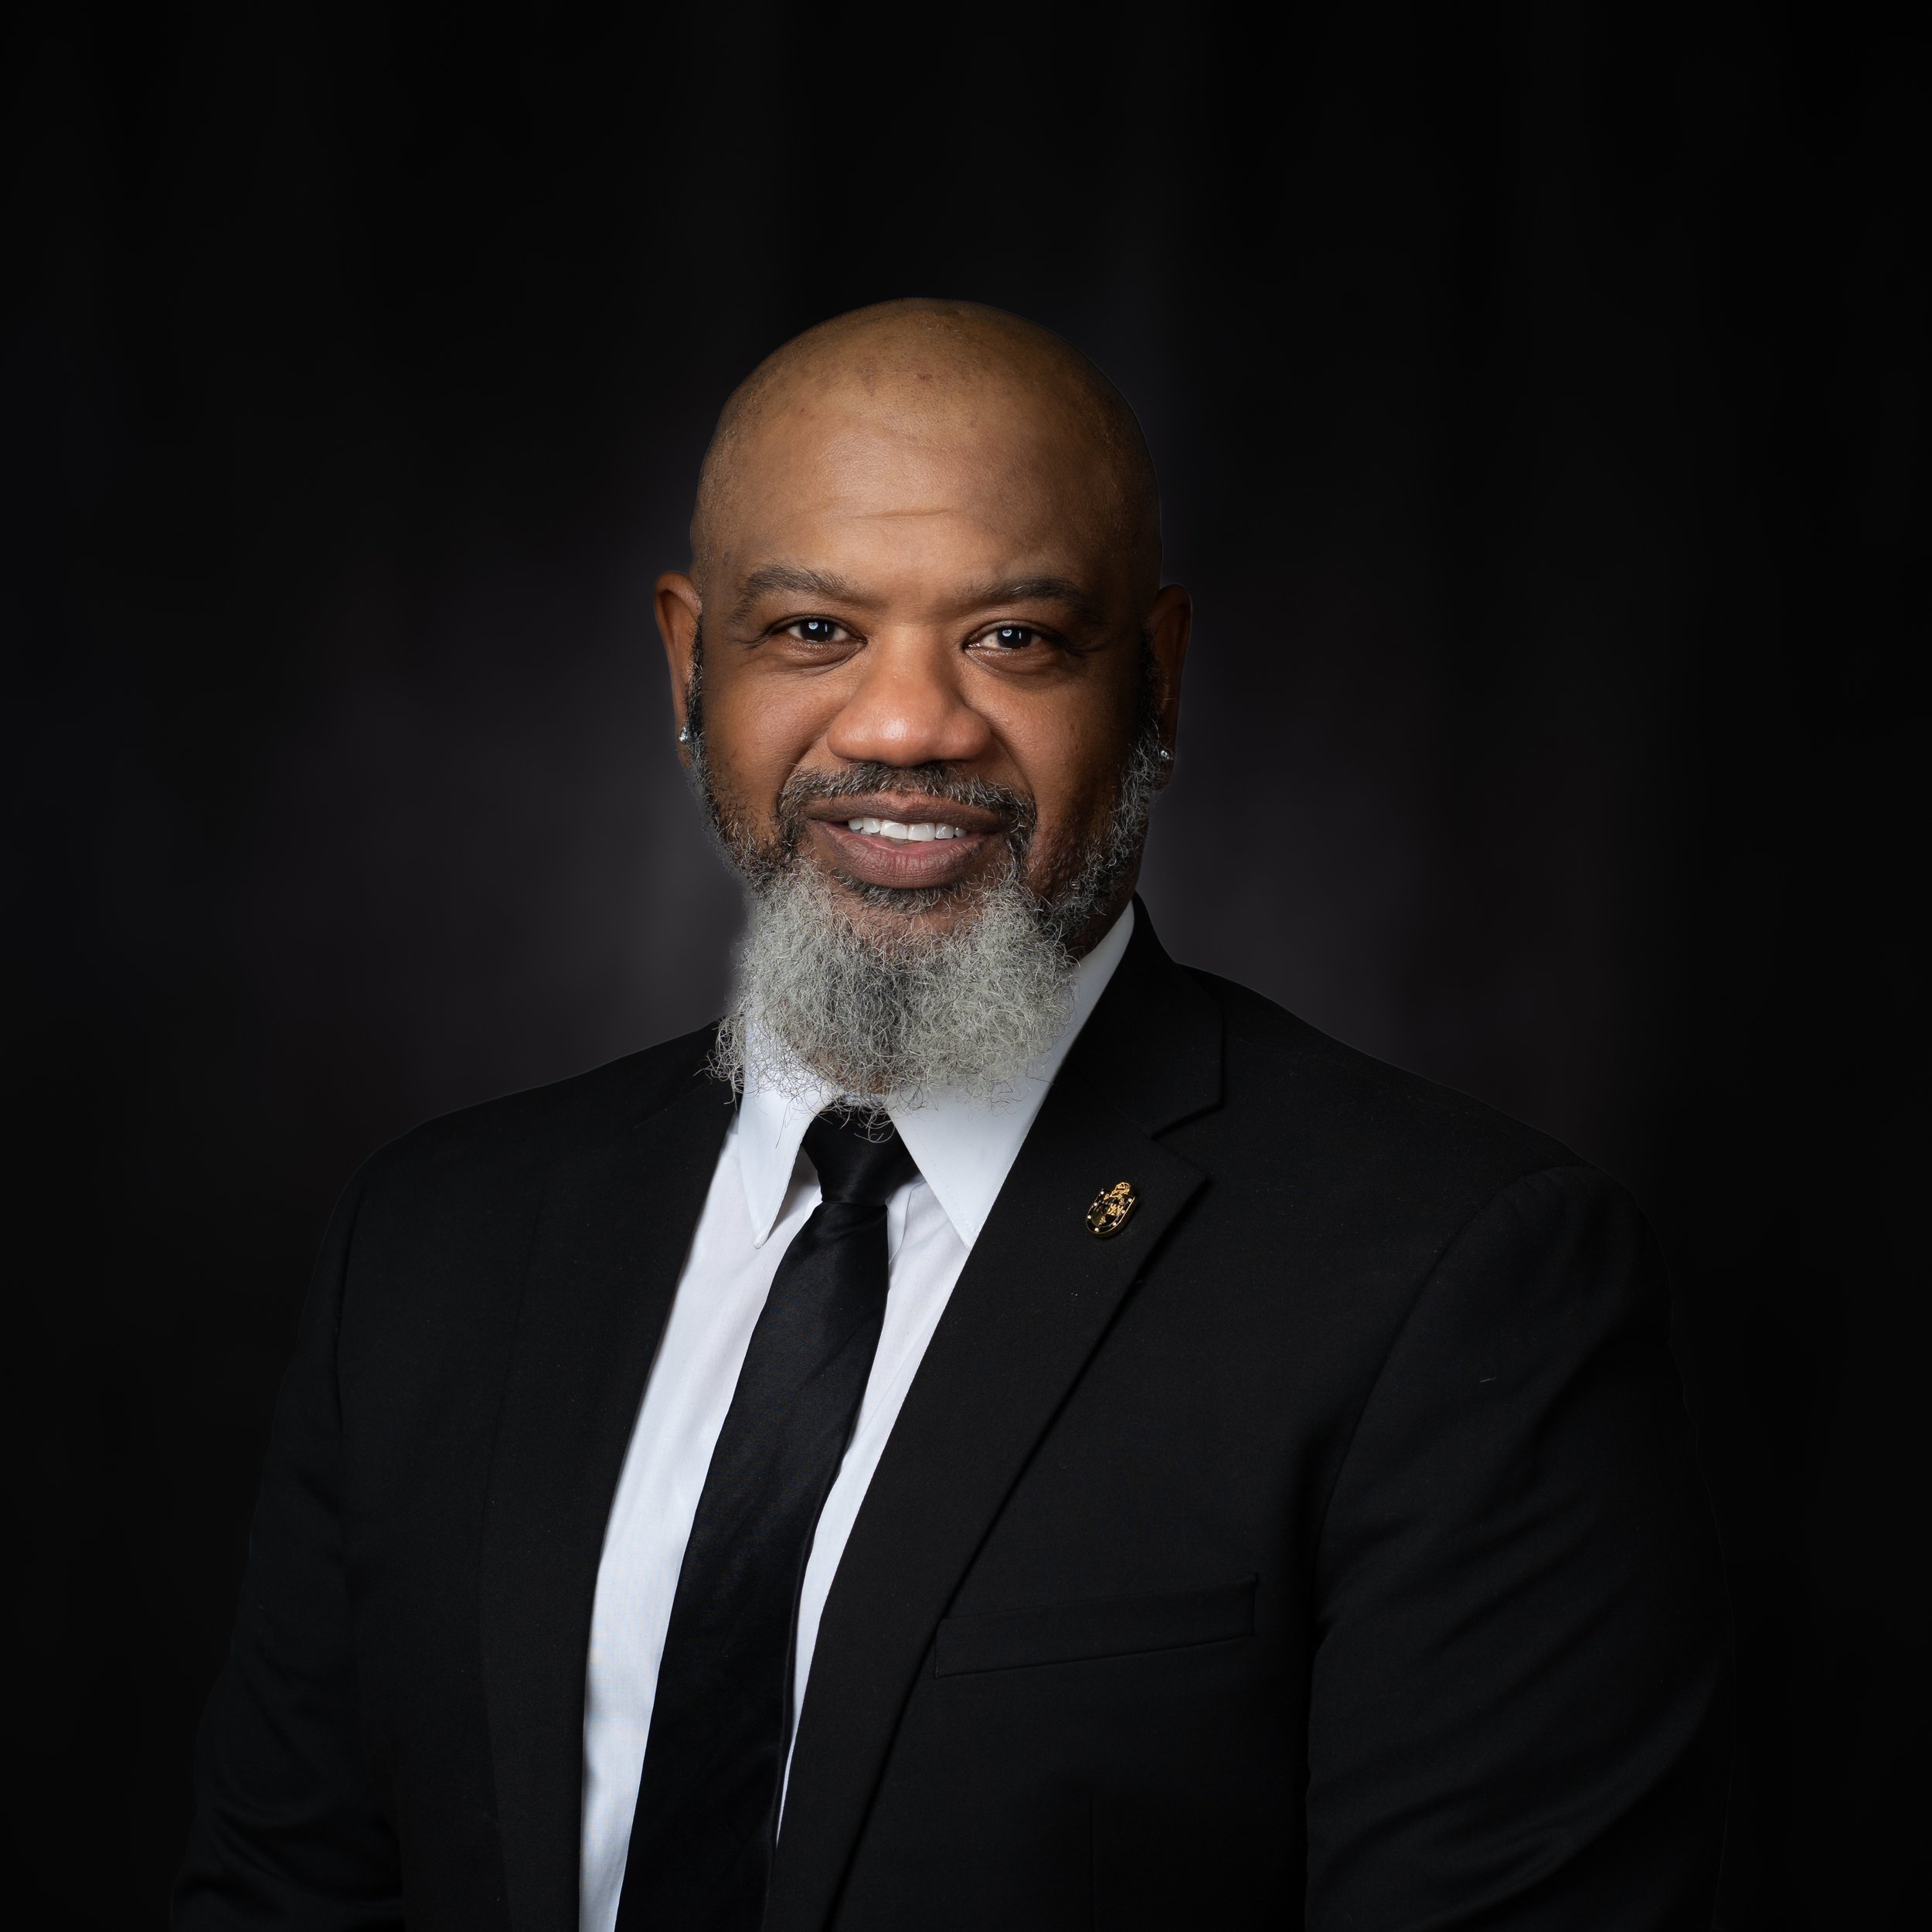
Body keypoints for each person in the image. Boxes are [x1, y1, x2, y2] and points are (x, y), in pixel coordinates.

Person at [175, 299, 1730, 1932]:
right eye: (813, 630)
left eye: (1013, 637)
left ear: (1159, 677)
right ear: (686, 662)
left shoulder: (1457, 1279)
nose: (907, 725)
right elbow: (285, 1892)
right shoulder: (433, 1241)